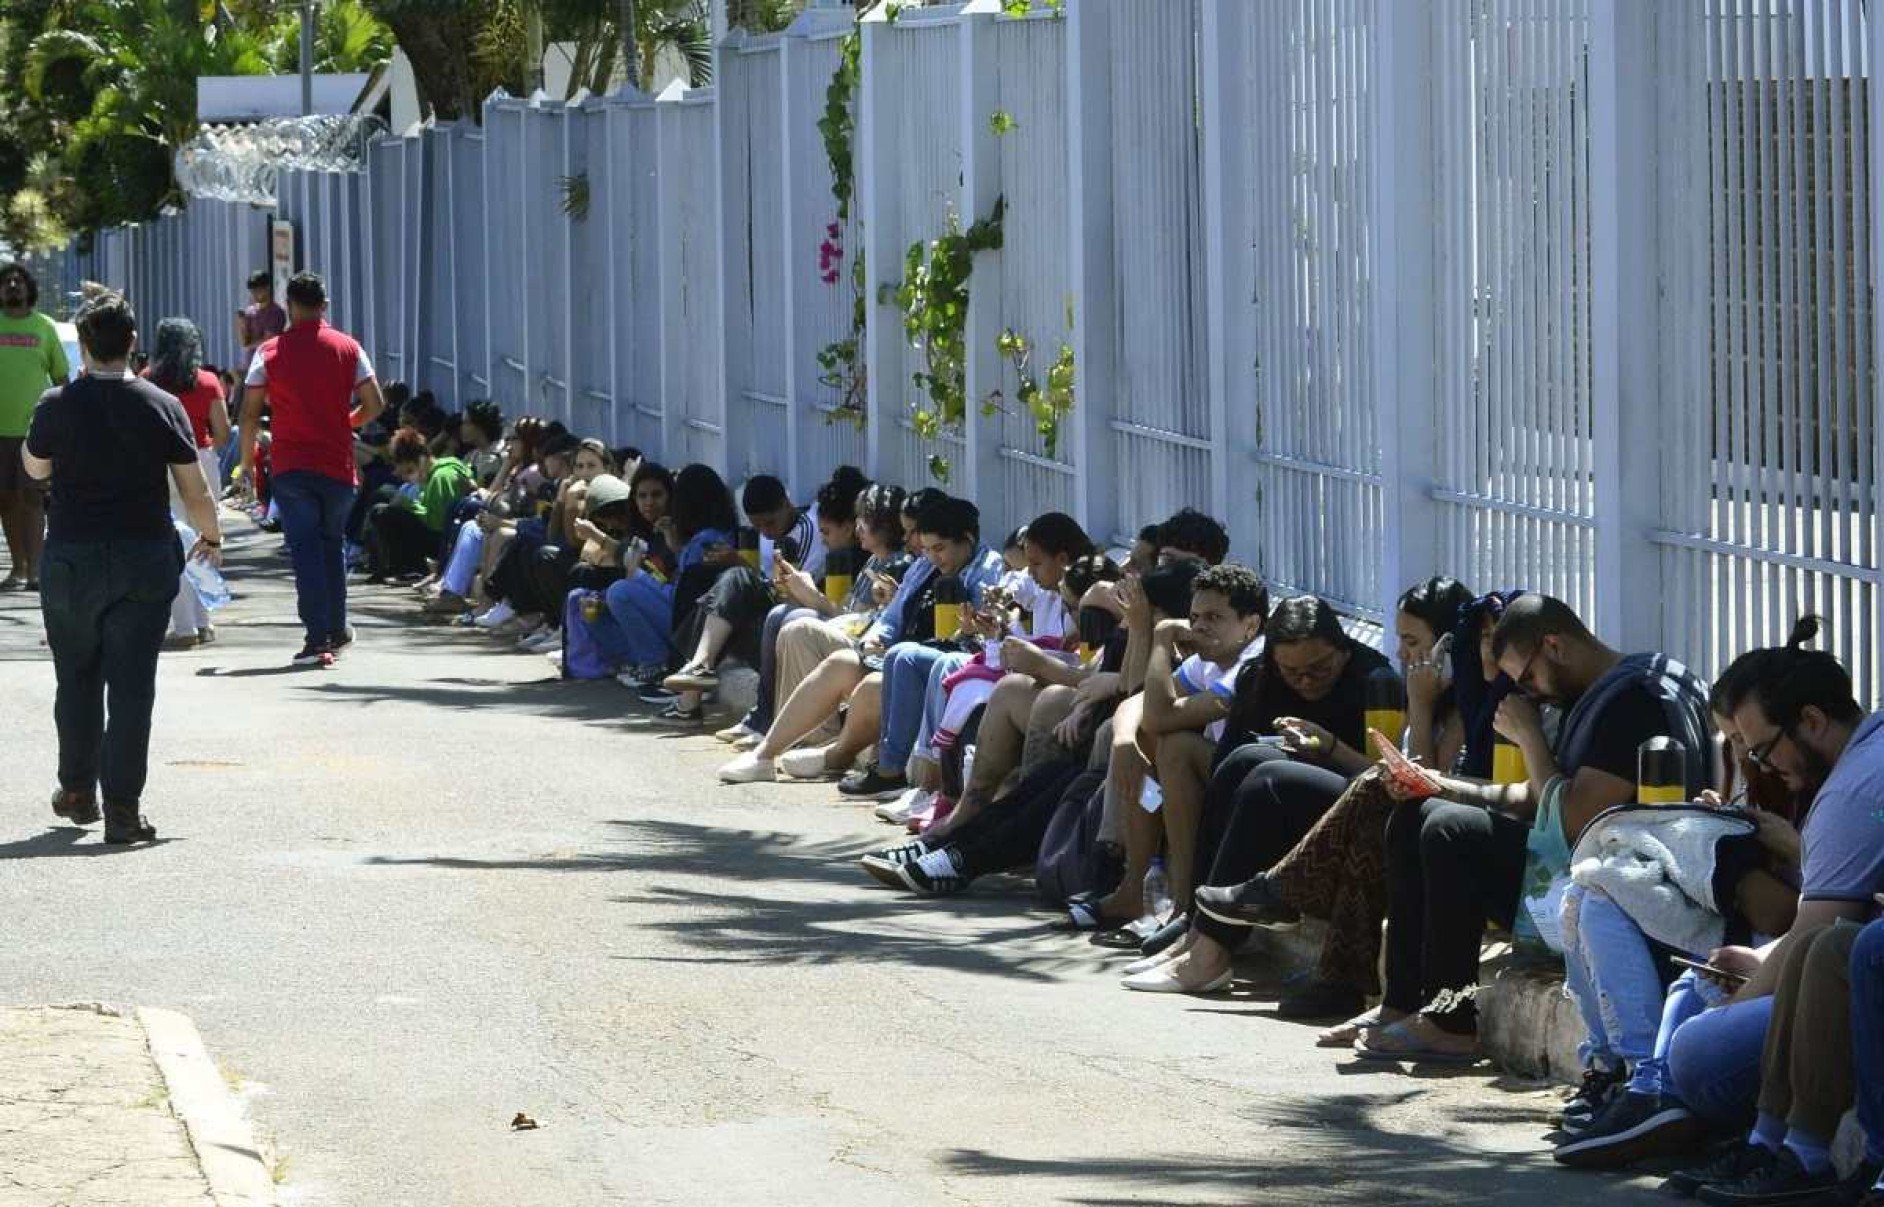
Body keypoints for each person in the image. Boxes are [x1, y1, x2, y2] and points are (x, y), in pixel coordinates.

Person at [1356, 593, 1713, 1063]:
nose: (1529, 693)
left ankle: (1452, 1021)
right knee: (1416, 814)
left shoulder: (1634, 700)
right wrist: (1443, 785)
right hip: (1576, 871)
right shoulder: (1603, 692)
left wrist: (1528, 738)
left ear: (1554, 646)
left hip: (1614, 894)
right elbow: (1542, 797)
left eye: (1527, 677)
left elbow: (1570, 822)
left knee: (1452, 834)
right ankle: (1399, 1006)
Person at [1655, 619, 1884, 1201]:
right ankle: (1771, 1145)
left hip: (1839, 968)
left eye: (1761, 748)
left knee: (1697, 1052)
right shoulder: (1852, 763)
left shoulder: (1852, 790)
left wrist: (1747, 989)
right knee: (1814, 948)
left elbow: (1816, 926)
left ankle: (1793, 1151)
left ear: (1811, 721)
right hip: (1819, 952)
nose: (1758, 763)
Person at [23, 291, 224, 845]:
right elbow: (194, 488)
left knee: (77, 679)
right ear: (133, 343)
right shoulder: (162, 405)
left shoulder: (55, 404)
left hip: (71, 558)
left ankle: (77, 788)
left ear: (83, 346)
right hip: (142, 555)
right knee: (133, 687)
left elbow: (36, 466)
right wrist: (211, 536)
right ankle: (123, 808)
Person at [240, 272, 387, 667]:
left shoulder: (269, 352)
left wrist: (243, 461)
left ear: (289, 306)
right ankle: (336, 627)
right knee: (331, 544)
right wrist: (347, 422)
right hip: (337, 463)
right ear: (324, 305)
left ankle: (316, 636)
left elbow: (250, 411)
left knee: (304, 548)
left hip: (290, 465)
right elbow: (375, 403)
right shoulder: (349, 348)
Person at [143, 318, 232, 649]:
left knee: (171, 544)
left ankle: (183, 627)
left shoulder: (147, 382)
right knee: (206, 541)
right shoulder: (208, 382)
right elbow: (223, 433)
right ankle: (203, 621)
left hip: (160, 464)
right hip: (202, 460)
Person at [0, 261, 72, 591]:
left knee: (32, 499)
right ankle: (18, 568)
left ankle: (37, 569)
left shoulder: (43, 327)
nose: (13, 286)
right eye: (7, 282)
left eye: (19, 281)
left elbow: (60, 378)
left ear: (29, 289)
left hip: (35, 432)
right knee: (6, 500)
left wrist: (66, 422)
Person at [366, 427, 475, 579]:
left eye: (410, 470)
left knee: (384, 513)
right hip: (434, 530)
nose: (409, 476)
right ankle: (383, 564)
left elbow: (439, 523)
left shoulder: (442, 477)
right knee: (383, 495)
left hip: (443, 538)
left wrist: (407, 504)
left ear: (421, 459)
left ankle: (412, 567)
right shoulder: (431, 476)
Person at [234, 269, 286, 376]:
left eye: (258, 290)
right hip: (250, 365)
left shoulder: (275, 312)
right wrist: (241, 324)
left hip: (268, 365)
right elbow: (244, 341)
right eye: (253, 291)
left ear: (267, 288)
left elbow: (268, 340)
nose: (255, 294)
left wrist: (249, 345)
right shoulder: (250, 311)